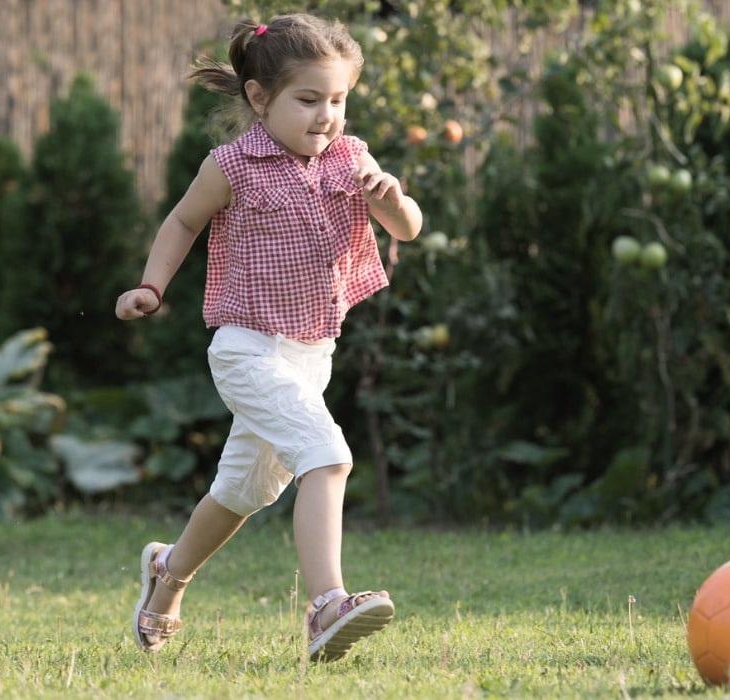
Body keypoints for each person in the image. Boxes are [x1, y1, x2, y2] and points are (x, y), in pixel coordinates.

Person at [115, 13, 422, 663]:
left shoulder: (350, 157)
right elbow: (181, 222)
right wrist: (151, 287)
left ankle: (166, 575)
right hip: (248, 349)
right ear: (260, 99)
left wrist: (391, 197)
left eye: (337, 100)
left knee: (242, 494)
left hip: (313, 355)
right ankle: (326, 607)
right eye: (308, 100)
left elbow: (408, 228)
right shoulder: (232, 166)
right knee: (328, 456)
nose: (326, 116)